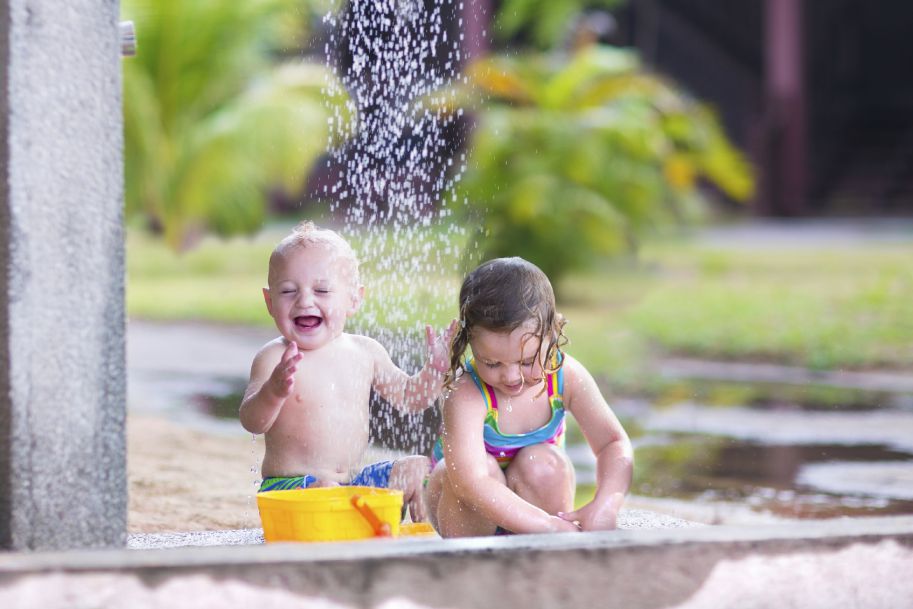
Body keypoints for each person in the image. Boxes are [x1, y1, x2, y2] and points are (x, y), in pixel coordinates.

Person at [240, 221, 454, 522]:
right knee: (326, 489)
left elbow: (410, 398)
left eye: (322, 290)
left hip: (350, 486)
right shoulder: (274, 357)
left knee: (419, 470)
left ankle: (419, 542)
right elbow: (252, 421)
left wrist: (435, 369)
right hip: (290, 490)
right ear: (269, 302)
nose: (305, 300)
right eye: (288, 291)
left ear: (353, 299)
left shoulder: (366, 352)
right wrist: (273, 392)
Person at [424, 257, 633, 536]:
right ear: (469, 343)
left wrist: (605, 505)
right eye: (492, 363)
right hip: (466, 514)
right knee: (475, 469)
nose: (511, 378)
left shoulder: (565, 376)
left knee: (545, 464)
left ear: (552, 333)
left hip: (533, 507)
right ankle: (473, 567)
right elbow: (469, 482)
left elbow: (613, 443)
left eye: (525, 362)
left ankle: (540, 554)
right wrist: (546, 525)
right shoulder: (467, 393)